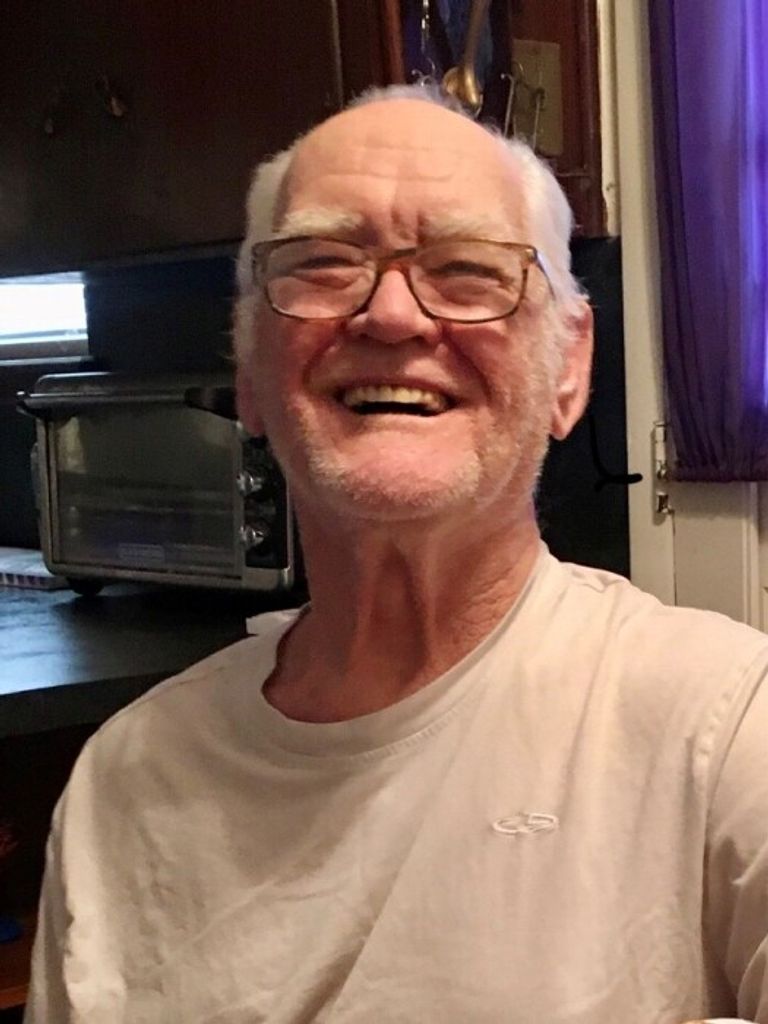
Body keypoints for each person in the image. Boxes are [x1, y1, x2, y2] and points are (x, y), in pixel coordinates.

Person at [24, 85, 768, 1024]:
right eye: (323, 264)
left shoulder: (726, 724)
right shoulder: (125, 779)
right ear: (249, 371)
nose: (391, 315)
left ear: (569, 367)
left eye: (468, 270)